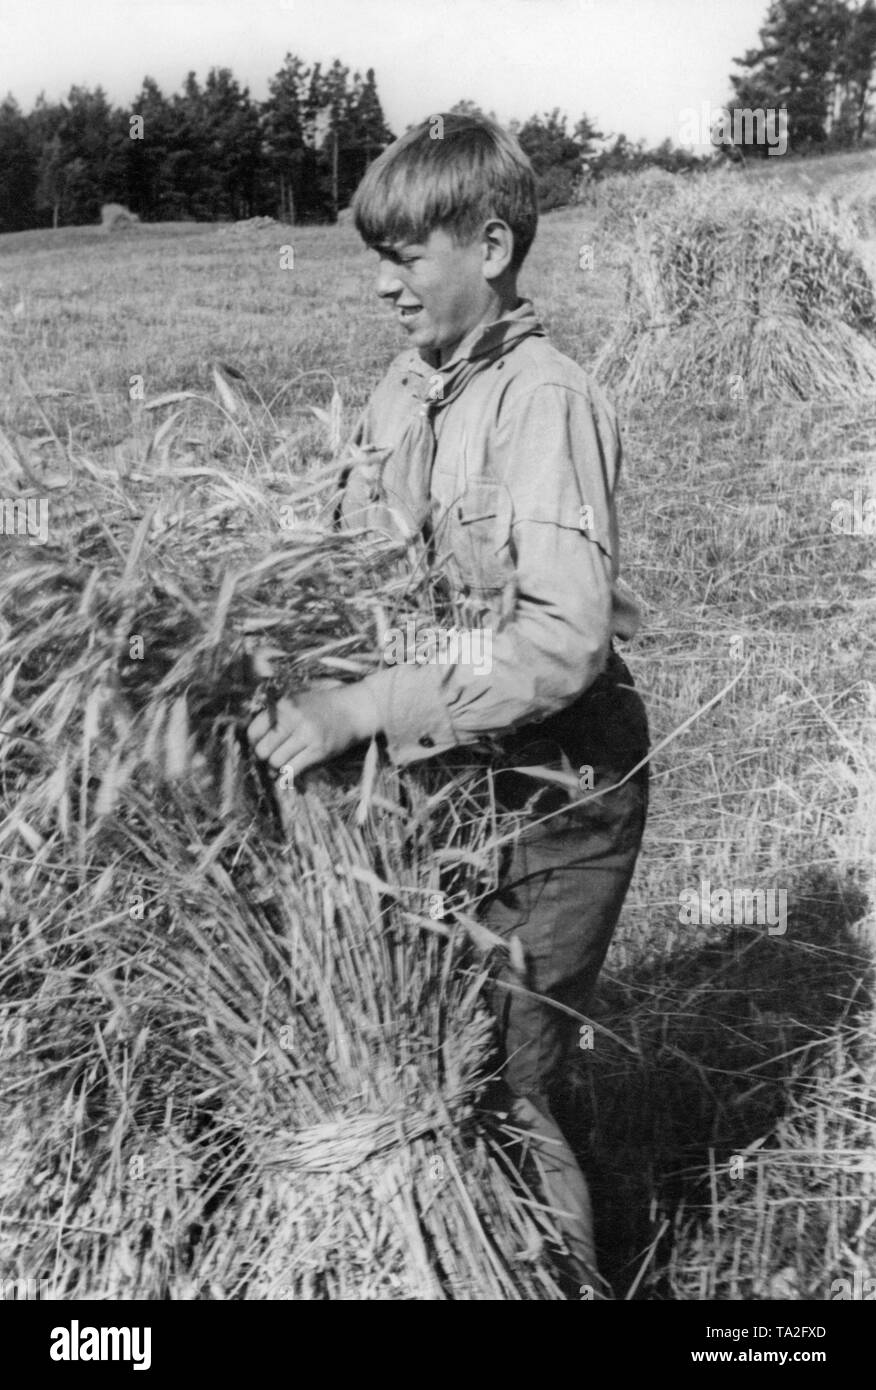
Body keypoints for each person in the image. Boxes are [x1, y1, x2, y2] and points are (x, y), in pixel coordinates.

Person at [248, 112, 649, 1297]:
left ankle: (563, 1282)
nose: (383, 285)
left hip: (562, 797)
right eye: (377, 257)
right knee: (444, 1045)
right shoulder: (400, 392)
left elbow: (561, 643)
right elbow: (354, 566)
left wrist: (363, 704)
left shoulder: (546, 402)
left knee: (502, 1078)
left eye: (406, 256)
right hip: (454, 776)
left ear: (490, 244)